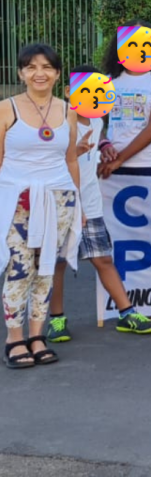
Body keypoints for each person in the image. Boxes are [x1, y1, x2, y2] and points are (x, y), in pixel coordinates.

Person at [47, 64, 151, 344]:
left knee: (103, 258)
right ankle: (57, 320)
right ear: (69, 91)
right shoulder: (57, 121)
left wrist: (106, 143)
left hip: (91, 202)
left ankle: (127, 312)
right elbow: (52, 162)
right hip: (60, 203)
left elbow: (96, 143)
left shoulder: (96, 121)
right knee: (57, 263)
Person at [1, 44, 82, 369]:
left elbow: (71, 158)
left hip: (58, 198)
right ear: (21, 73)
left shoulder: (68, 110)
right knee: (19, 269)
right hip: (16, 200)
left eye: (47, 67)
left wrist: (79, 204)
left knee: (45, 268)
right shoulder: (7, 109)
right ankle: (14, 337)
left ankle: (37, 335)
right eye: (31, 67)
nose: (39, 73)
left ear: (57, 73)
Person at [99, 20, 151, 178]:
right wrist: (104, 145)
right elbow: (94, 122)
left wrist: (120, 159)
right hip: (112, 165)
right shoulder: (107, 81)